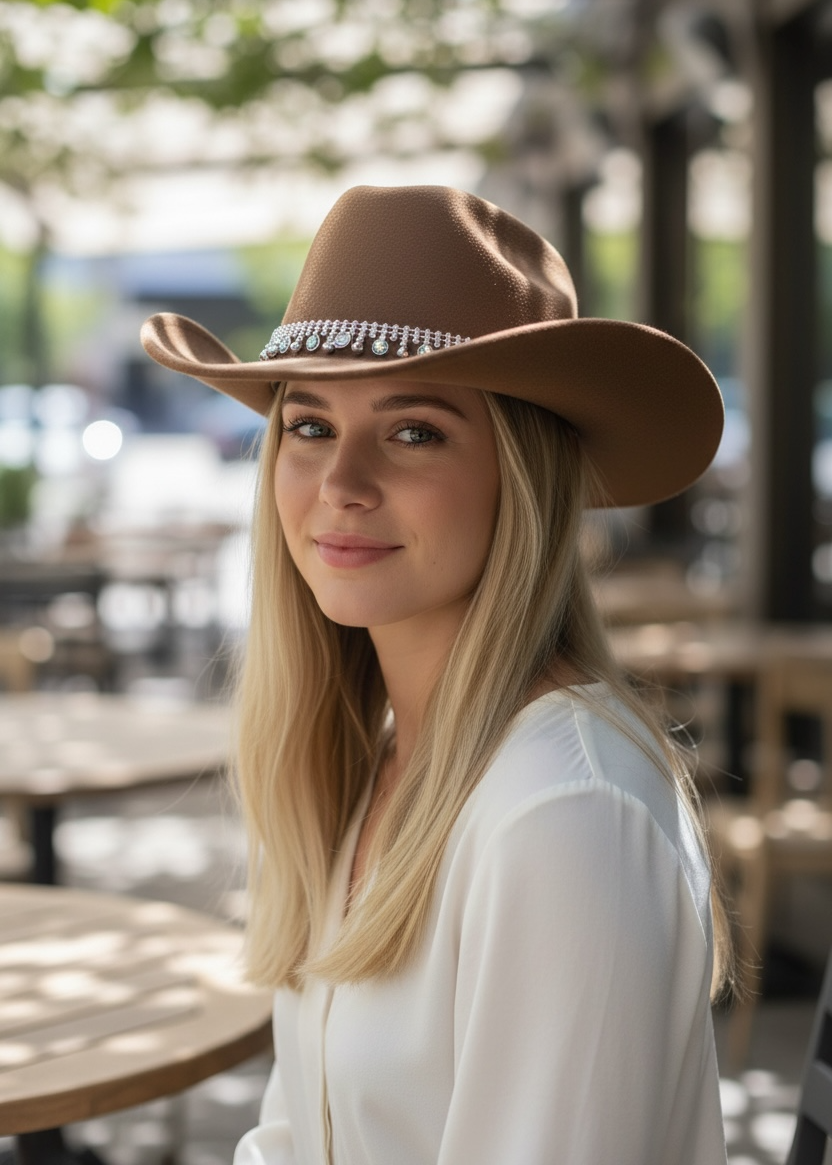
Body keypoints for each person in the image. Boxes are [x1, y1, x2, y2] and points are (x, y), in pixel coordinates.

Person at [142, 184, 730, 1165]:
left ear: (522, 474)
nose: (341, 483)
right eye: (309, 425)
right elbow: (291, 1140)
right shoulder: (372, 766)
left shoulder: (564, 813)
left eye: (413, 430)